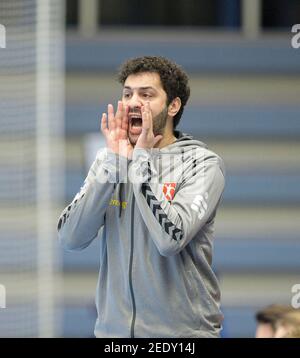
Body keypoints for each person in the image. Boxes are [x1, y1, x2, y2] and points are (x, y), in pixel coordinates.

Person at [58, 56, 226, 338]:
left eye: (146, 94)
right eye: (127, 94)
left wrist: (141, 163)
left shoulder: (203, 164)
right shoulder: (109, 161)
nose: (133, 102)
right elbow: (69, 238)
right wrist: (114, 164)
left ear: (174, 105)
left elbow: (170, 239)